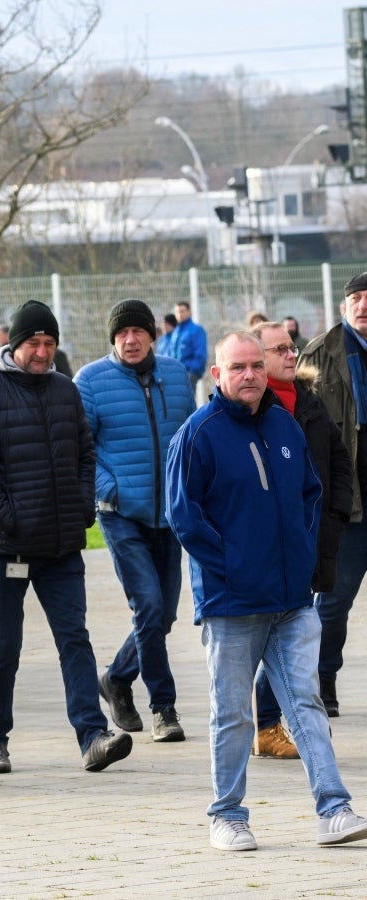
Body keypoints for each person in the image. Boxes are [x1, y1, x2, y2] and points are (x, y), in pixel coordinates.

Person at [166, 330, 367, 851]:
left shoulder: (283, 423)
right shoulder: (197, 435)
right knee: (232, 712)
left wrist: (299, 557)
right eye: (238, 367)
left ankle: (335, 810)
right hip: (232, 605)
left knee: (306, 703)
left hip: (291, 600)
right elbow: (185, 520)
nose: (251, 375)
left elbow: (310, 492)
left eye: (257, 365)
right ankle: (227, 816)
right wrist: (236, 569)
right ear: (217, 374)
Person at [0, 300, 132, 775]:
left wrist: (79, 509)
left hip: (61, 545)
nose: (42, 351)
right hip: (5, 546)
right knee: (3, 647)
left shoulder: (64, 392)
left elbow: (85, 456)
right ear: (13, 344)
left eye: (49, 343)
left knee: (75, 639)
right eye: (34, 342)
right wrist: (10, 518)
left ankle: (93, 737)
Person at [74, 300, 195, 743]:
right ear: (113, 339)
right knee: (148, 607)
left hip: (171, 515)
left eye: (138, 332)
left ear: (152, 336)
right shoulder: (89, 381)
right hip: (121, 515)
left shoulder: (178, 375)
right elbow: (78, 447)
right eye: (121, 333)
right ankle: (164, 707)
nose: (130, 340)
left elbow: (191, 437)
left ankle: (117, 677)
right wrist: (111, 490)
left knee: (162, 617)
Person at [248, 321, 351, 759]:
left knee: (292, 636)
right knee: (274, 639)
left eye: (292, 348)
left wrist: (335, 513)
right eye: (280, 350)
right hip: (265, 546)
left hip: (309, 538)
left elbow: (339, 461)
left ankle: (275, 725)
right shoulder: (251, 407)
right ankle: (265, 725)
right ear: (258, 359)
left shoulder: (308, 402)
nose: (292, 355)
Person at [300, 271, 367, 717]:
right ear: (344, 306)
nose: (363, 305)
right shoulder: (320, 353)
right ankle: (322, 678)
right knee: (335, 600)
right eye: (356, 298)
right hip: (349, 500)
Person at [168, 301, 207, 390]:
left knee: (187, 401)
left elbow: (201, 354)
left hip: (188, 373)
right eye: (177, 312)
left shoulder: (196, 330)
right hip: (175, 374)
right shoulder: (175, 332)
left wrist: (193, 371)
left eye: (182, 311)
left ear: (189, 312)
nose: (180, 314)